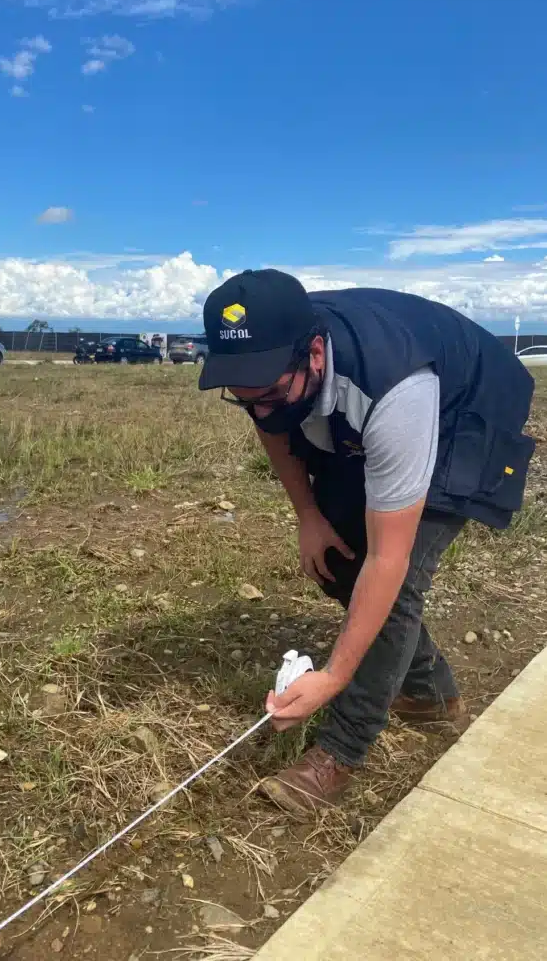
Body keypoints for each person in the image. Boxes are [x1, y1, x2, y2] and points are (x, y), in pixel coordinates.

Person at [199, 269, 535, 816]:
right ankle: (429, 694)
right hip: (352, 397)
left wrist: (333, 677)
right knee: (339, 559)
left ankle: (341, 751)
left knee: (395, 580)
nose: (260, 410)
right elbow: (272, 422)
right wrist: (308, 515)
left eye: (267, 394)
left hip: (465, 410)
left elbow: (390, 558)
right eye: (242, 399)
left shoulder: (396, 388)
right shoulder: (272, 369)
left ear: (312, 353)